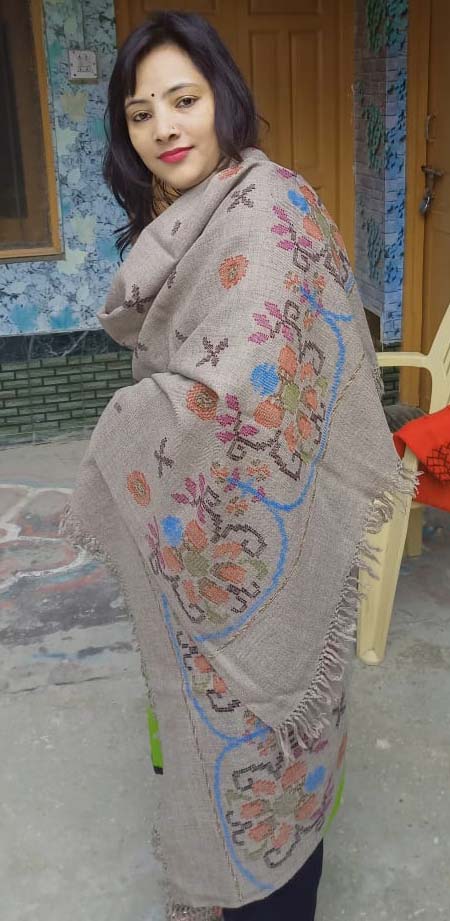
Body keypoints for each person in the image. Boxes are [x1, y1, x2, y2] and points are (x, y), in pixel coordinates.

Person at [60, 11, 416, 921]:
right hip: (200, 539)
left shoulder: (270, 209)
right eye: (141, 113)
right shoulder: (180, 220)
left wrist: (132, 425)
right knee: (207, 741)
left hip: (272, 523)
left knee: (277, 738)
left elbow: (245, 398)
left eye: (183, 99)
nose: (164, 127)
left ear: (224, 98)